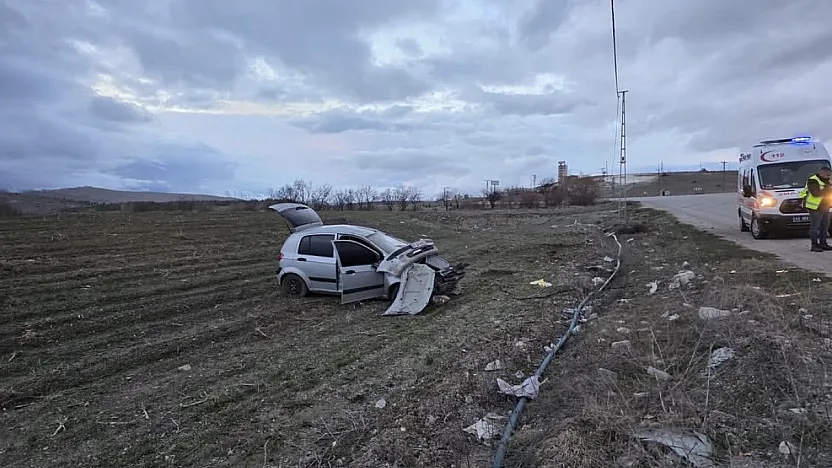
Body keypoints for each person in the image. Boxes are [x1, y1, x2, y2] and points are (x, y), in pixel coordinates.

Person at [799, 166, 832, 252]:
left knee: (824, 227)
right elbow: (815, 193)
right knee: (815, 227)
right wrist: (828, 189)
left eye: (830, 175)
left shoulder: (827, 181)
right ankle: (814, 245)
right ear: (821, 173)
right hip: (814, 207)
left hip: (825, 206)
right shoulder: (813, 180)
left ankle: (823, 243)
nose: (829, 177)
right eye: (827, 175)